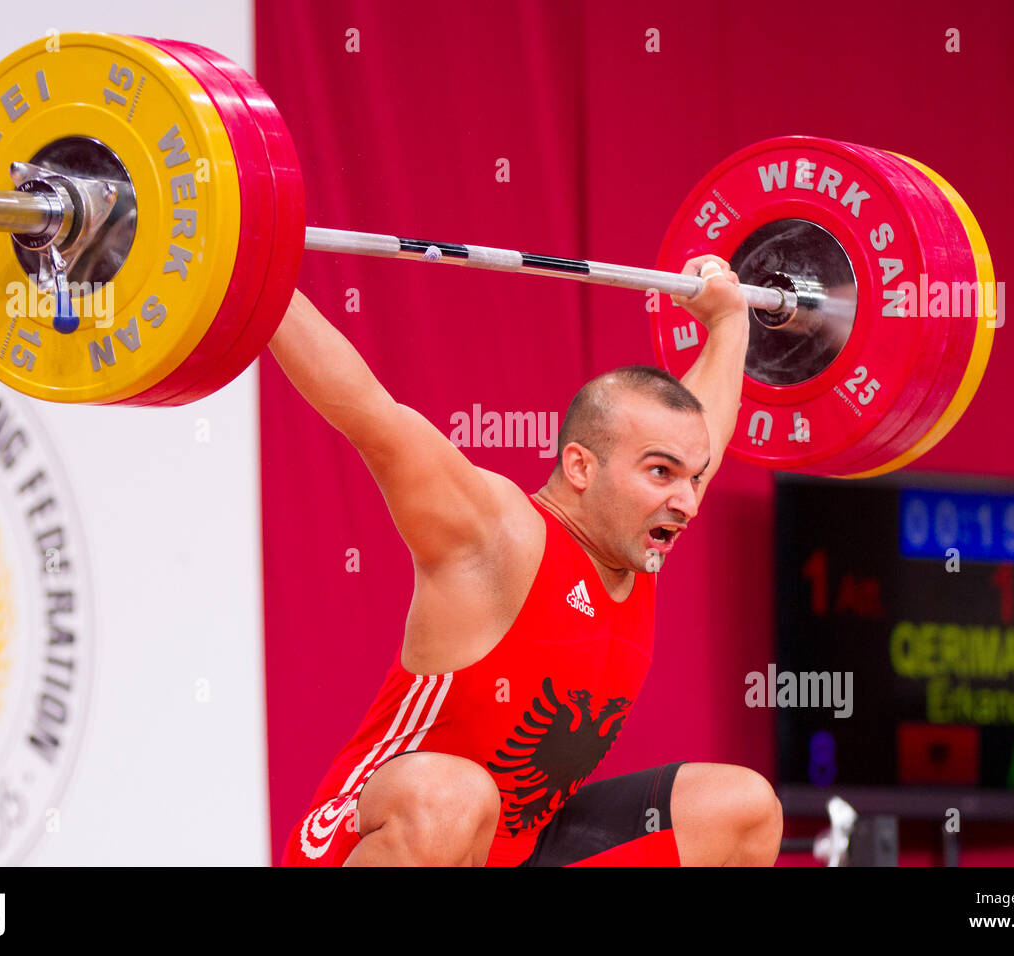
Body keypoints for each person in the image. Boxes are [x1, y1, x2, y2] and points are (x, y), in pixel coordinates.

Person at [273, 255, 782, 866]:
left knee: (742, 807)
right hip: (379, 837)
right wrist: (259, 275)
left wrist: (730, 325)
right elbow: (368, 412)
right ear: (579, 468)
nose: (686, 501)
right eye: (660, 472)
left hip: (516, 851)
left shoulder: (640, 537)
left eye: (693, 479)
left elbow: (703, 436)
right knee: (454, 797)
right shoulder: (500, 536)